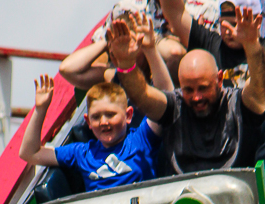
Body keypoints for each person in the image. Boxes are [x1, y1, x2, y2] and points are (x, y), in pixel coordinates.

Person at [107, 7, 265, 175]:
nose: (196, 97)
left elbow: (260, 91)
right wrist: (126, 65)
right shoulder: (175, 107)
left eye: (203, 88)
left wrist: (252, 46)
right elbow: (143, 96)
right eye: (188, 90)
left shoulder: (237, 104)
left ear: (219, 80)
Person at [19, 78, 162, 191]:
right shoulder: (82, 153)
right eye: (96, 117)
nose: (103, 122)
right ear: (88, 121)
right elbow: (29, 153)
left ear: (128, 115)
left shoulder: (142, 138)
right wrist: (40, 109)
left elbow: (165, 99)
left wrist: (151, 50)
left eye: (110, 115)